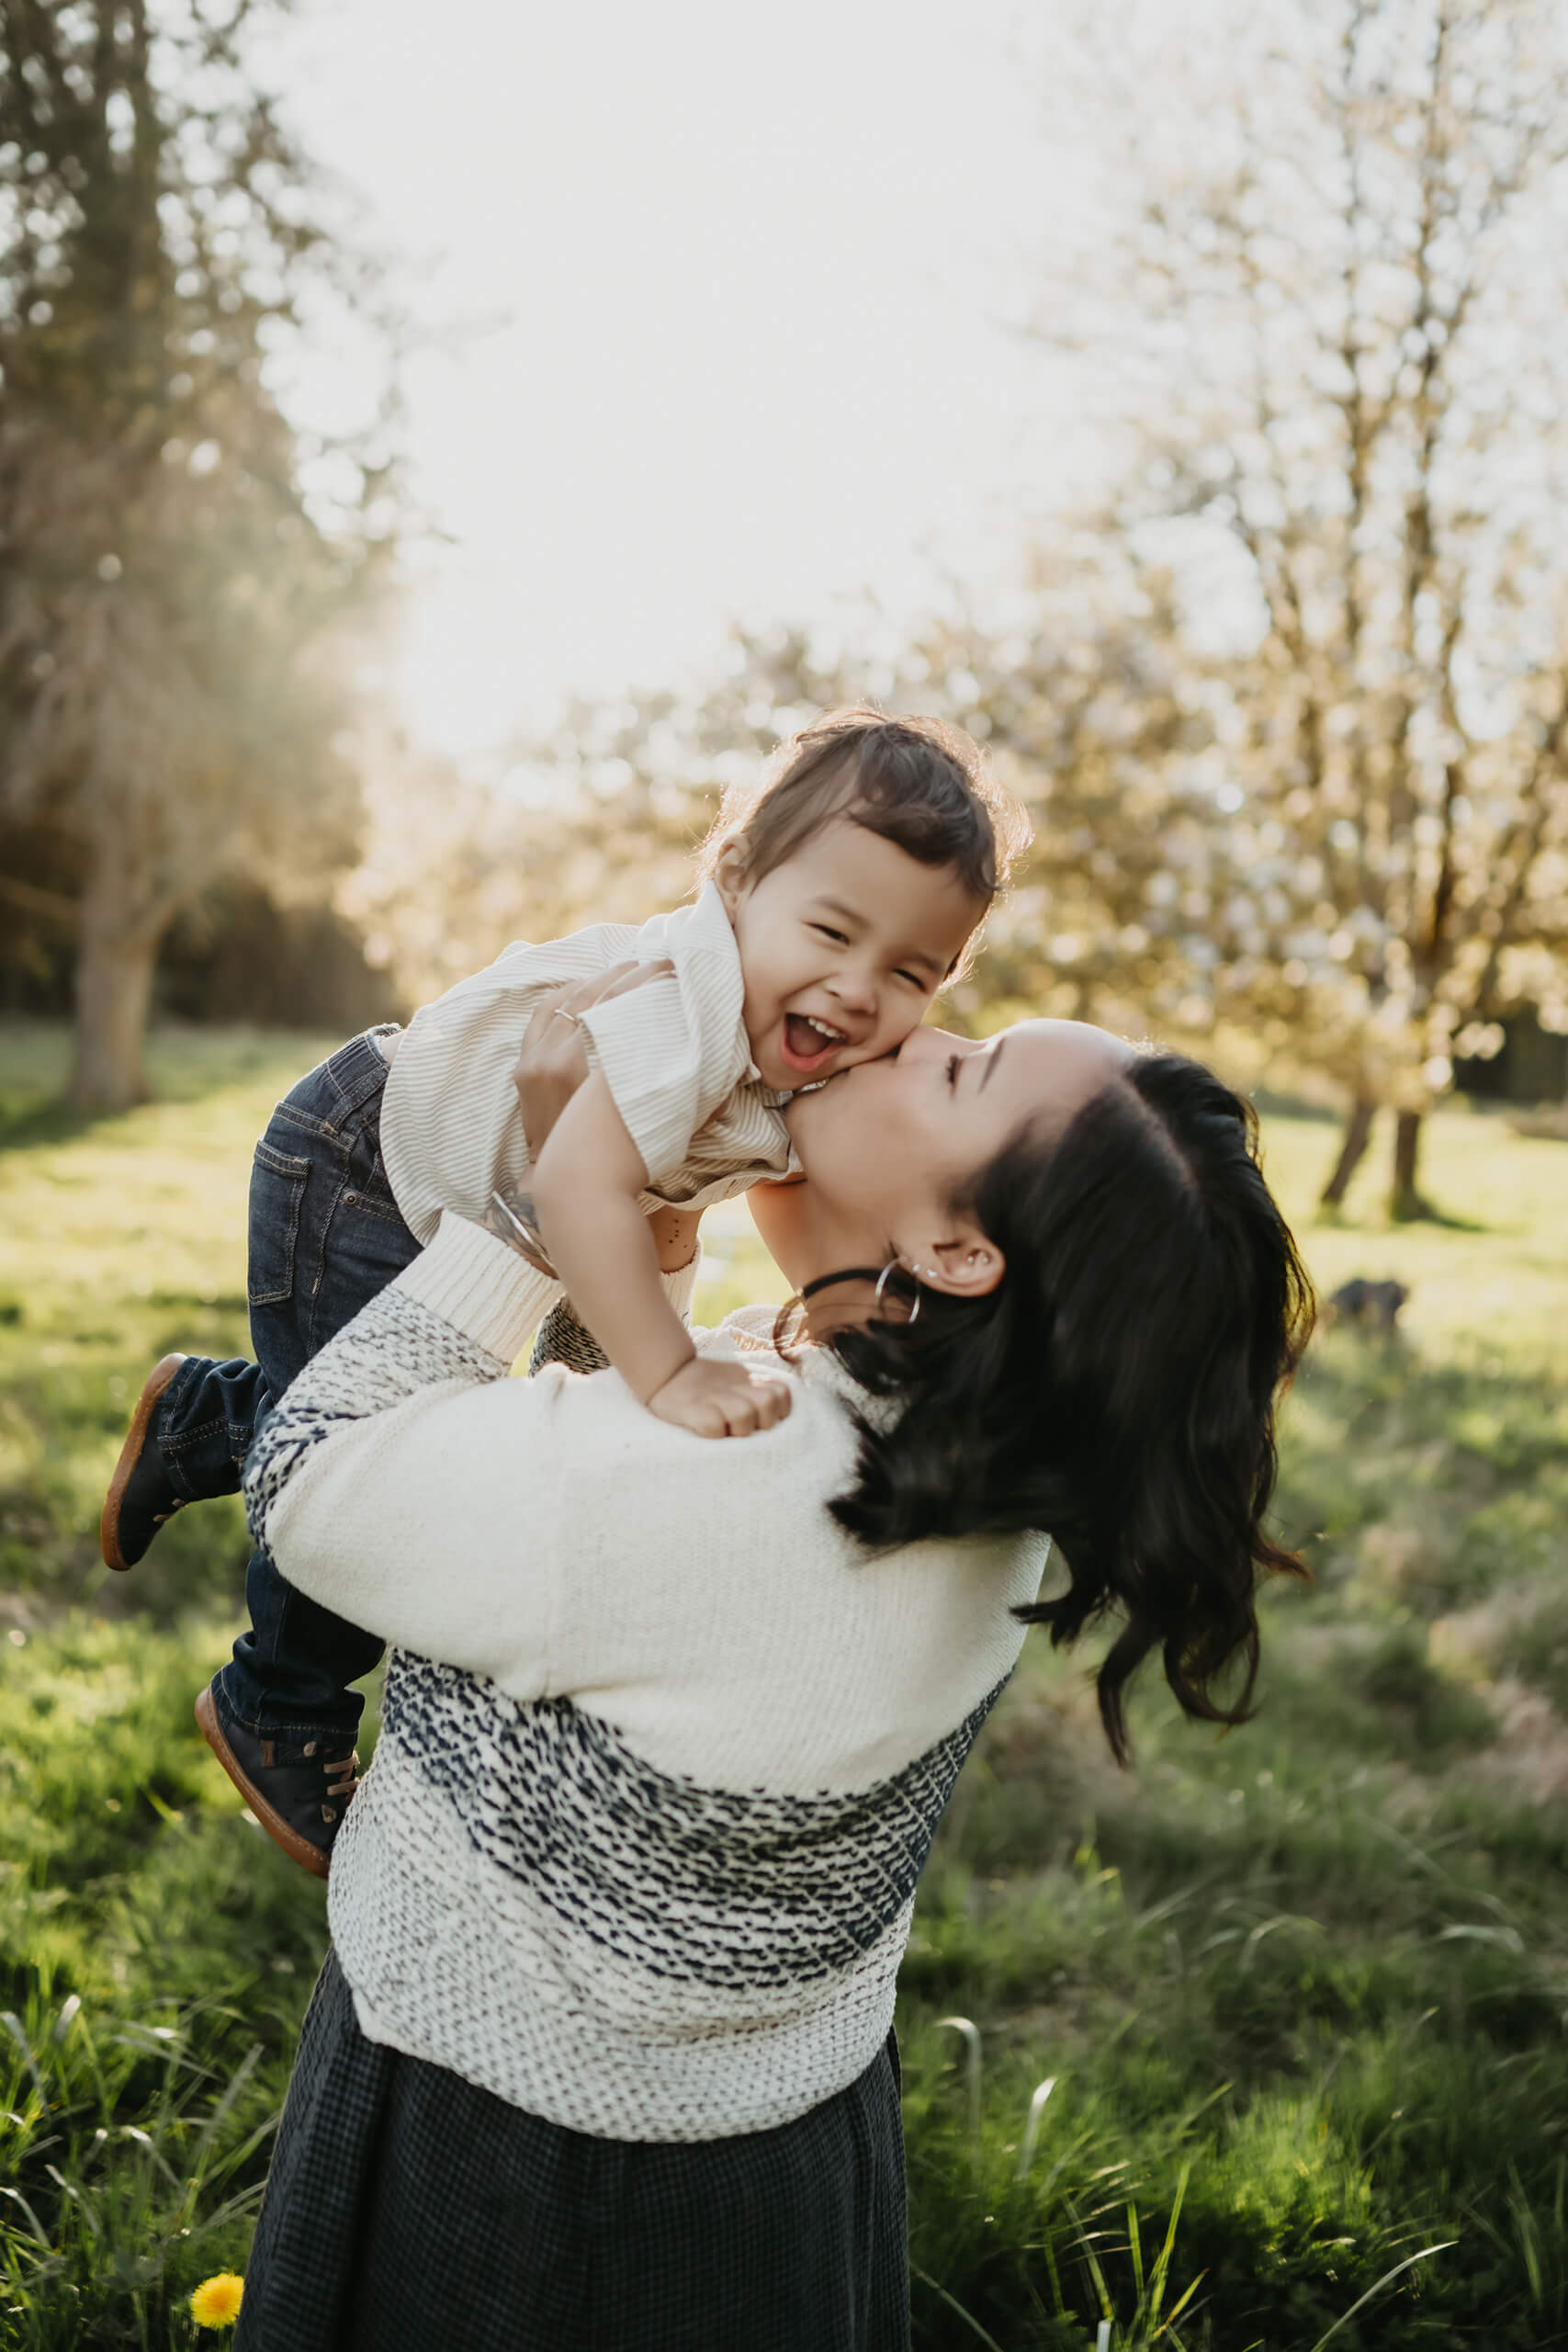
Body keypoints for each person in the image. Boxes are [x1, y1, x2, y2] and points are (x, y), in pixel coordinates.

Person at [228, 980, 1313, 2352]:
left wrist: (517, 1234)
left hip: (502, 2159)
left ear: (956, 1248)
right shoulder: (969, 1491)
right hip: (782, 2150)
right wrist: (627, 1249)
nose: (911, 1030)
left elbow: (312, 1482)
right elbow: (615, 1552)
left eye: (961, 1070)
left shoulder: (725, 1499)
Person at [98, 710, 1024, 1876]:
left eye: (910, 971)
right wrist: (670, 1370)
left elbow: (784, 1197)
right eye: (831, 931)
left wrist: (845, 1322)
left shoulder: (801, 1049)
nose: (855, 991)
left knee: (420, 1408)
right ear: (735, 880)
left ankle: (208, 1420)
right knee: (369, 1452)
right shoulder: (684, 1003)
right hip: (364, 1161)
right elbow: (582, 1183)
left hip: (442, 1186)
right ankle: (279, 1702)